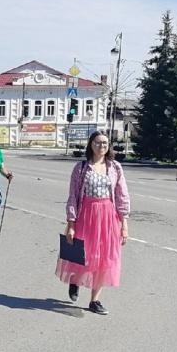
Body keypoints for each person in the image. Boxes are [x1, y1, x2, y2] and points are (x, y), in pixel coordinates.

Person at [57, 131, 130, 315]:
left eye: (104, 143)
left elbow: (122, 196)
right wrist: (71, 224)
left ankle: (94, 300)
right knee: (84, 254)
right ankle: (75, 280)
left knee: (104, 258)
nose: (101, 146)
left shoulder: (115, 167)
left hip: (108, 218)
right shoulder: (81, 168)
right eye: (97, 142)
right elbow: (73, 196)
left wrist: (124, 224)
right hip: (86, 216)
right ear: (91, 144)